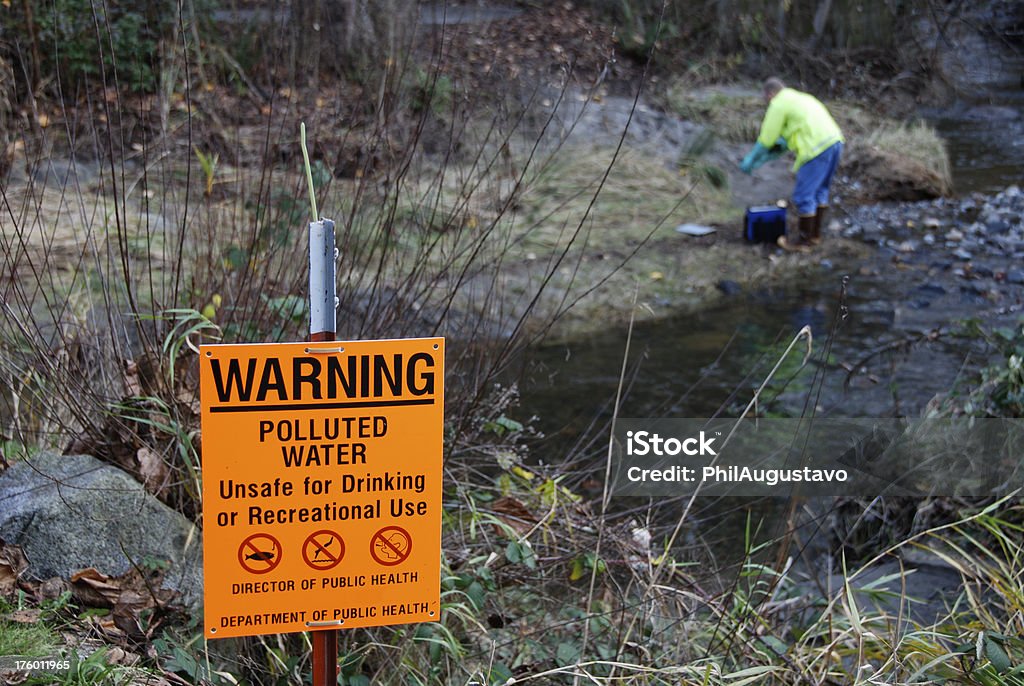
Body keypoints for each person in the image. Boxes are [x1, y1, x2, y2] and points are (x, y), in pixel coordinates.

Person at [740, 77, 844, 252]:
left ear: (770, 94)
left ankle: (803, 242)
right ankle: (815, 236)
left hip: (816, 148)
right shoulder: (802, 98)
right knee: (820, 191)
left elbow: (767, 138)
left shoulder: (779, 103)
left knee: (804, 196)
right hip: (835, 142)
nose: (766, 103)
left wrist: (751, 159)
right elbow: (796, 129)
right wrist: (777, 149)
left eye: (765, 99)